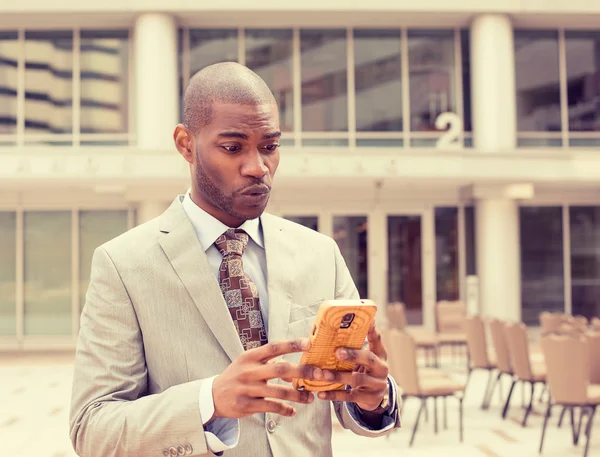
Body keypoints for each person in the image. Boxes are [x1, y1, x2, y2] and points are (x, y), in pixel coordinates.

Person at [69, 62, 401, 457]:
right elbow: (92, 429)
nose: (258, 167)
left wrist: (372, 400)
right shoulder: (123, 264)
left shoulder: (320, 253)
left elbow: (351, 401)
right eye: (232, 147)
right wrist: (208, 401)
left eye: (270, 146)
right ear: (185, 144)